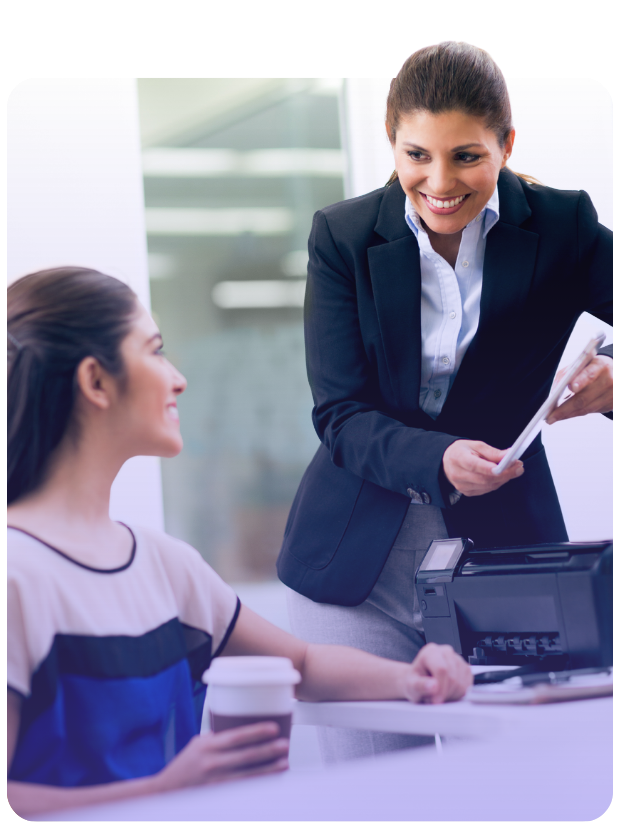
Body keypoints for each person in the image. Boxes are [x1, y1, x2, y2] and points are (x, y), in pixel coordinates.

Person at [6, 267, 472, 817]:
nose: (176, 378)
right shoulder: (18, 578)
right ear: (96, 382)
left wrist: (411, 679)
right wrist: (160, 793)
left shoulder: (165, 565)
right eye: (153, 351)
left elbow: (300, 666)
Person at [277, 41, 618, 764]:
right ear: (392, 145)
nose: (438, 182)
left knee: (521, 791)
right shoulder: (342, 237)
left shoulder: (564, 226)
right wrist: (440, 458)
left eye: (467, 156)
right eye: (416, 156)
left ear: (507, 144)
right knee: (372, 802)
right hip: (355, 570)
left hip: (502, 565)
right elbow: (338, 413)